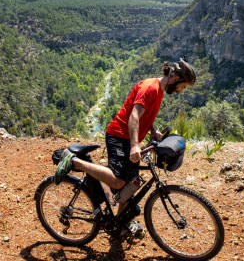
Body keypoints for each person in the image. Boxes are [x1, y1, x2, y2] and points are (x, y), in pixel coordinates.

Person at [54, 58, 197, 232]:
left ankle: (120, 221)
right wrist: (135, 145)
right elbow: (134, 117)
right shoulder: (150, 88)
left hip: (129, 137)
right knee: (119, 181)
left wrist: (153, 130)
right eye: (183, 87)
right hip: (118, 135)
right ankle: (75, 161)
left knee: (132, 183)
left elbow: (146, 115)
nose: (180, 91)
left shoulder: (159, 90)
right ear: (175, 78)